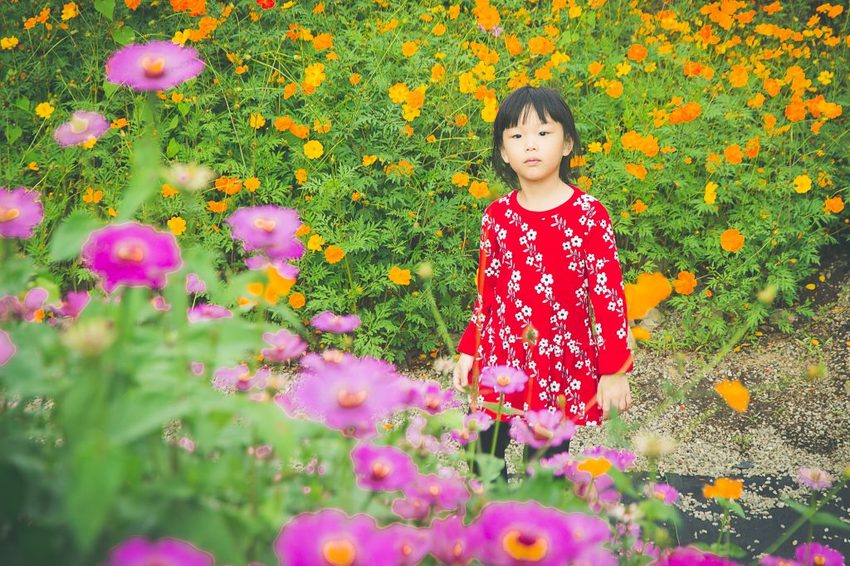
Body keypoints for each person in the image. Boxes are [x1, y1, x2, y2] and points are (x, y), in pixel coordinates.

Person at [452, 85, 634, 480]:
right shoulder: (497, 216)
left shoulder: (589, 215)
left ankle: (539, 517)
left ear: (567, 143)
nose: (530, 145)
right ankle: (494, 513)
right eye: (517, 135)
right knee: (481, 449)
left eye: (544, 132)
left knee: (544, 465)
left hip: (558, 362)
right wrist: (470, 347)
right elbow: (487, 290)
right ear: (503, 151)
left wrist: (614, 370)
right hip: (501, 356)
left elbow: (608, 297)